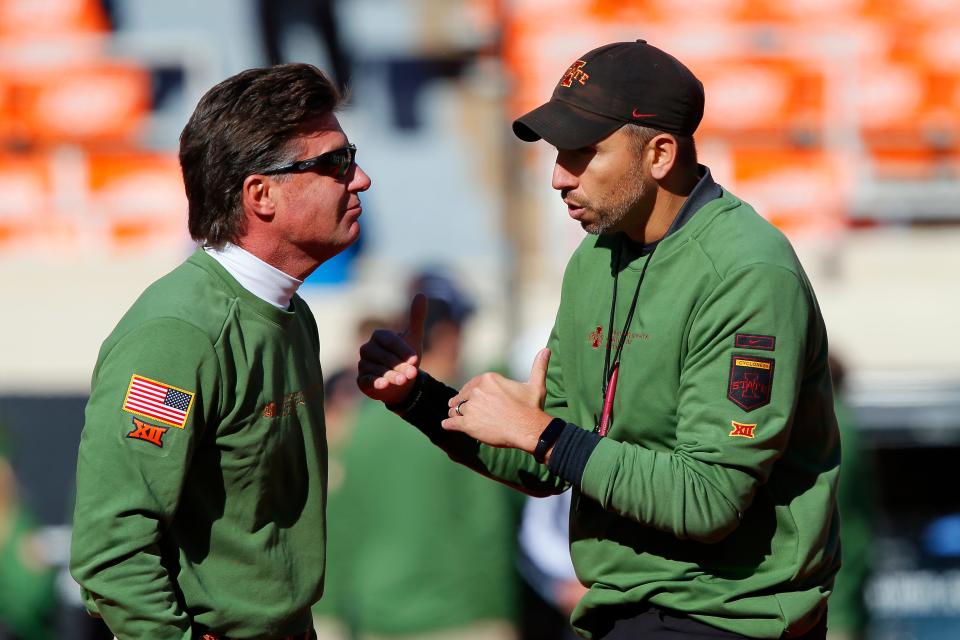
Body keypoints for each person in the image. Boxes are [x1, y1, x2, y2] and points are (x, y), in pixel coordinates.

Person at [358, 40, 840, 640]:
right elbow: (552, 464)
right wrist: (421, 400)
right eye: (559, 154)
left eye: (584, 153)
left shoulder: (746, 272)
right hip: (619, 608)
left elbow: (709, 498)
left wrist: (540, 433)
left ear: (661, 153)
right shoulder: (596, 257)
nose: (559, 176)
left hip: (729, 616)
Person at [70, 63, 371, 639]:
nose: (360, 180)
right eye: (336, 163)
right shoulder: (179, 334)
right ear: (261, 195)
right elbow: (111, 552)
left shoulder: (290, 314)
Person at [322, 270, 521, 640]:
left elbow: (343, 529)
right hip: (467, 618)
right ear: (449, 336)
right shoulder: (471, 422)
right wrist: (503, 613)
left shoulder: (359, 426)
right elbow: (490, 525)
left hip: (377, 619)